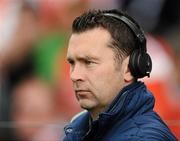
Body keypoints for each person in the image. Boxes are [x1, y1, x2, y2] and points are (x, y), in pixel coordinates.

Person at [63, 9, 177, 141]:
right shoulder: (78, 127)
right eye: (72, 63)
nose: (74, 75)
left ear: (128, 69)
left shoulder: (144, 138)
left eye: (89, 62)